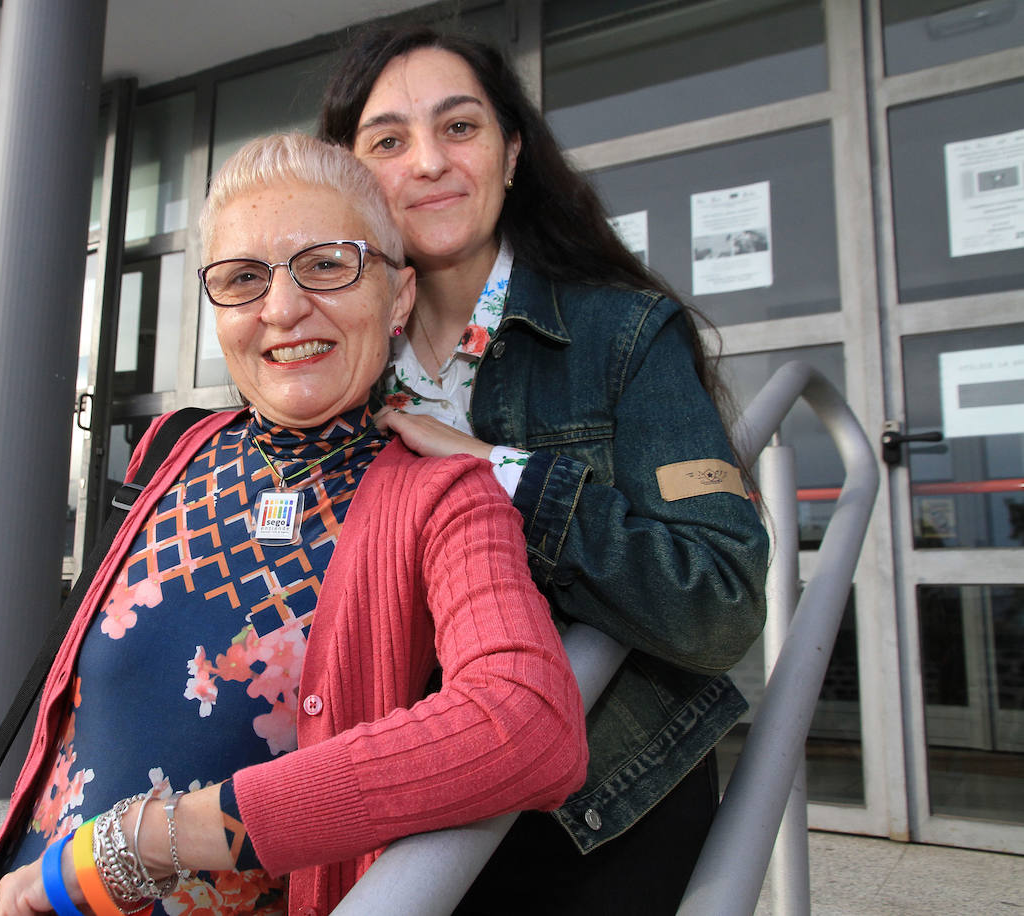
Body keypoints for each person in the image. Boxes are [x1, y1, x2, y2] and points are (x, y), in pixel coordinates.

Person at [0, 132, 587, 916]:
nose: (282, 309)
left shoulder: (442, 498)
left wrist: (155, 840)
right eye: (244, 278)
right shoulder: (172, 449)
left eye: (327, 264)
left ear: (400, 297)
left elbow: (527, 724)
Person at [318, 25, 770, 914]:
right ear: (351, 176)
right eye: (388, 141)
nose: (428, 164)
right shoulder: (335, 355)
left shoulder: (623, 335)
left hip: (589, 817)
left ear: (511, 152)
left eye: (460, 128)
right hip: (380, 801)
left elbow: (717, 602)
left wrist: (501, 471)